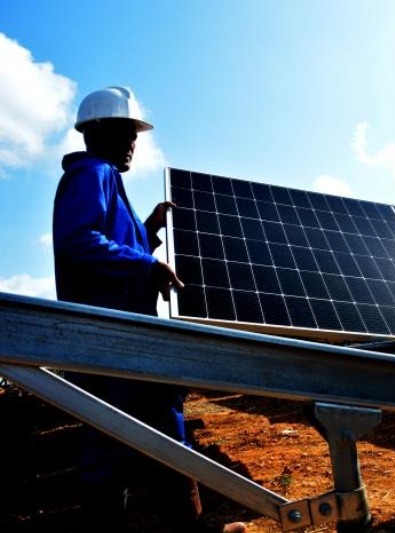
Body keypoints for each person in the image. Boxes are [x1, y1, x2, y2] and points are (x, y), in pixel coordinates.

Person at [53, 86, 246, 533]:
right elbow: (77, 240)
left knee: (164, 431)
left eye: (135, 134)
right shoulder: (92, 174)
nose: (133, 143)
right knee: (110, 443)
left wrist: (149, 228)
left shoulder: (108, 181)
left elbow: (116, 246)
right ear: (98, 132)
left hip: (132, 340)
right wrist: (147, 262)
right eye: (126, 133)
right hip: (109, 343)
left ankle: (192, 526)